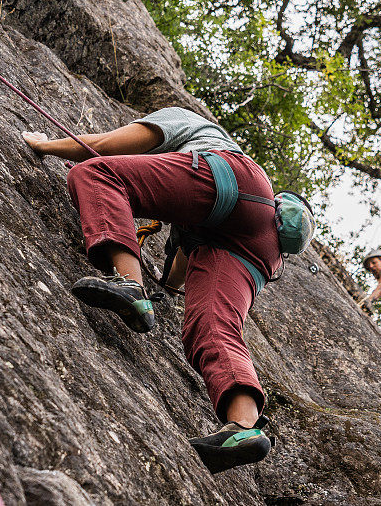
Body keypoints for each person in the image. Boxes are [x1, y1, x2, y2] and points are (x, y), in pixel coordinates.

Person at [22, 106, 280, 474]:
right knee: (210, 327)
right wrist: (162, 281)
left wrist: (45, 146)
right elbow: (176, 275)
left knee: (96, 174)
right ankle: (243, 428)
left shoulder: (183, 120)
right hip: (260, 240)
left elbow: (104, 146)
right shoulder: (190, 208)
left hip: (231, 179)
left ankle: (129, 286)